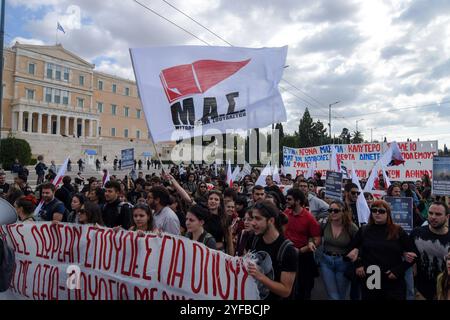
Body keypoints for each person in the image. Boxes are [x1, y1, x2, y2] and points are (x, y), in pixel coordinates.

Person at [349, 200, 416, 300]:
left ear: (388, 213)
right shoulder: (364, 230)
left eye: (381, 211)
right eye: (374, 210)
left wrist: (398, 270)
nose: (377, 213)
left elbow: (414, 254)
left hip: (392, 279)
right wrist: (358, 264)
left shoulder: (397, 230)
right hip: (372, 278)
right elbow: (351, 250)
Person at [246, 200, 298, 300]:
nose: (252, 223)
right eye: (252, 218)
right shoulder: (254, 239)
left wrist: (260, 276)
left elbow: (286, 291)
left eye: (257, 219)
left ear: (271, 221)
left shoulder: (288, 250)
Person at [284, 188, 321, 300]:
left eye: (289, 199)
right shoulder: (285, 214)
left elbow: (317, 239)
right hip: (287, 255)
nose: (287, 201)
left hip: (304, 257)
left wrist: (301, 250)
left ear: (298, 201)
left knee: (304, 290)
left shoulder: (309, 218)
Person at [410, 201, 450, 300]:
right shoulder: (416, 233)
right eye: (430, 213)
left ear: (447, 217)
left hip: (445, 293)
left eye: (438, 214)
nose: (433, 217)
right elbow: (410, 262)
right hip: (420, 292)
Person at [319, 200, 359, 300]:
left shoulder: (351, 227)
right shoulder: (325, 223)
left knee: (341, 296)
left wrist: (356, 250)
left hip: (343, 263)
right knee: (333, 296)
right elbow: (314, 235)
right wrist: (311, 241)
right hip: (326, 262)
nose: (332, 213)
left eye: (336, 210)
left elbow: (360, 242)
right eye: (330, 210)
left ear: (343, 211)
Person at [204, 190, 234, 255]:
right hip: (202, 251)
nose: (213, 201)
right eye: (210, 199)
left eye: (216, 199)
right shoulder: (202, 215)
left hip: (217, 253)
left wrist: (231, 259)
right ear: (207, 201)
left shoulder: (225, 219)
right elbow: (188, 200)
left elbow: (229, 242)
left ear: (220, 203)